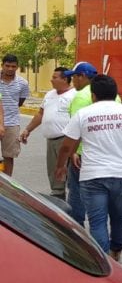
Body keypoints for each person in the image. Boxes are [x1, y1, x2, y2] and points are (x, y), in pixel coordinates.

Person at [55, 75, 122, 261]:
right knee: (119, 217)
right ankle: (116, 252)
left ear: (93, 95)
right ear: (115, 94)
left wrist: (61, 166)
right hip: (121, 175)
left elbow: (67, 146)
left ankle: (104, 259)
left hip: (92, 176)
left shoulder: (84, 114)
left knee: (97, 221)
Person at [64, 61, 122, 237]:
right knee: (119, 195)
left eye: (74, 77)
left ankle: (76, 227)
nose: (73, 81)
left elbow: (75, 131)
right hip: (117, 156)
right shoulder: (116, 97)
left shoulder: (81, 97)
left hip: (86, 155)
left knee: (77, 194)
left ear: (82, 77)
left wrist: (72, 153)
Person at [20, 67, 76, 198]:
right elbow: (41, 114)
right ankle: (58, 196)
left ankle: (74, 202)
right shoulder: (49, 94)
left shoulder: (74, 95)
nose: (51, 80)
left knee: (69, 172)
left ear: (65, 79)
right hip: (51, 140)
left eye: (54, 77)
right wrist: (28, 129)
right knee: (54, 170)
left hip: (66, 139)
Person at [0, 53, 30, 176]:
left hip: (12, 124)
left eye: (13, 66)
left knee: (9, 156)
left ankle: (7, 184)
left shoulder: (23, 83)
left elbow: (20, 102)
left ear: (17, 67)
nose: (10, 69)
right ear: (2, 65)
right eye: (7, 66)